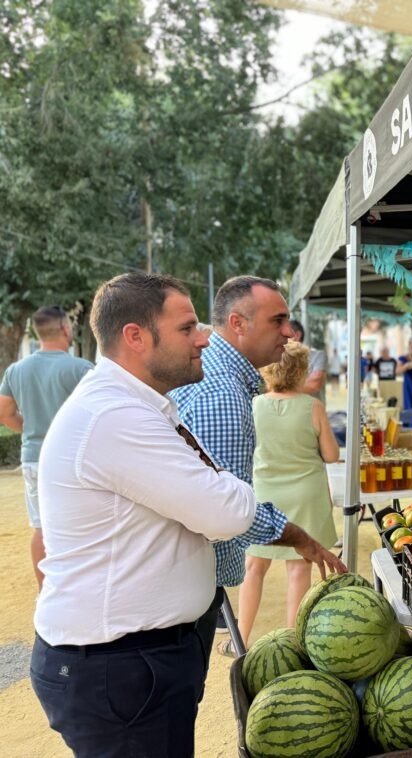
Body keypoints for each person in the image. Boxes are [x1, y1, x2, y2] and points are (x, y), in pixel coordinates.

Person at [30, 273, 260, 755]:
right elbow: (227, 513)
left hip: (136, 662)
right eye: (187, 328)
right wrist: (231, 486)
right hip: (121, 668)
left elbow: (214, 495)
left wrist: (220, 485)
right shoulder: (117, 417)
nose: (203, 339)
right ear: (135, 336)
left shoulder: (141, 405)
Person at [170, 275, 344, 662]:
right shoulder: (224, 397)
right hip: (186, 590)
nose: (288, 331)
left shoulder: (229, 384)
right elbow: (220, 511)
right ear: (238, 323)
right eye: (277, 321)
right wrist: (298, 536)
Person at [238, 342, 340, 646]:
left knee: (254, 567)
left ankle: (239, 639)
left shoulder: (253, 404)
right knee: (299, 568)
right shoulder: (313, 406)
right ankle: (293, 642)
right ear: (301, 371)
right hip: (306, 495)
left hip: (265, 493)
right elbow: (332, 455)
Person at [0, 306, 92, 589]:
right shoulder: (81, 369)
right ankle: (79, 587)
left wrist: (30, 429)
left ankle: (46, 592)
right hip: (73, 459)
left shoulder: (17, 370)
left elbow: (4, 412)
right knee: (80, 527)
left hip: (33, 458)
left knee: (41, 527)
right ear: (66, 329)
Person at [288, 319, 327, 406]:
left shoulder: (318, 356)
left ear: (297, 335)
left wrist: (281, 389)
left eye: (285, 335)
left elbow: (314, 385)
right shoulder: (278, 359)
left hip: (313, 416)